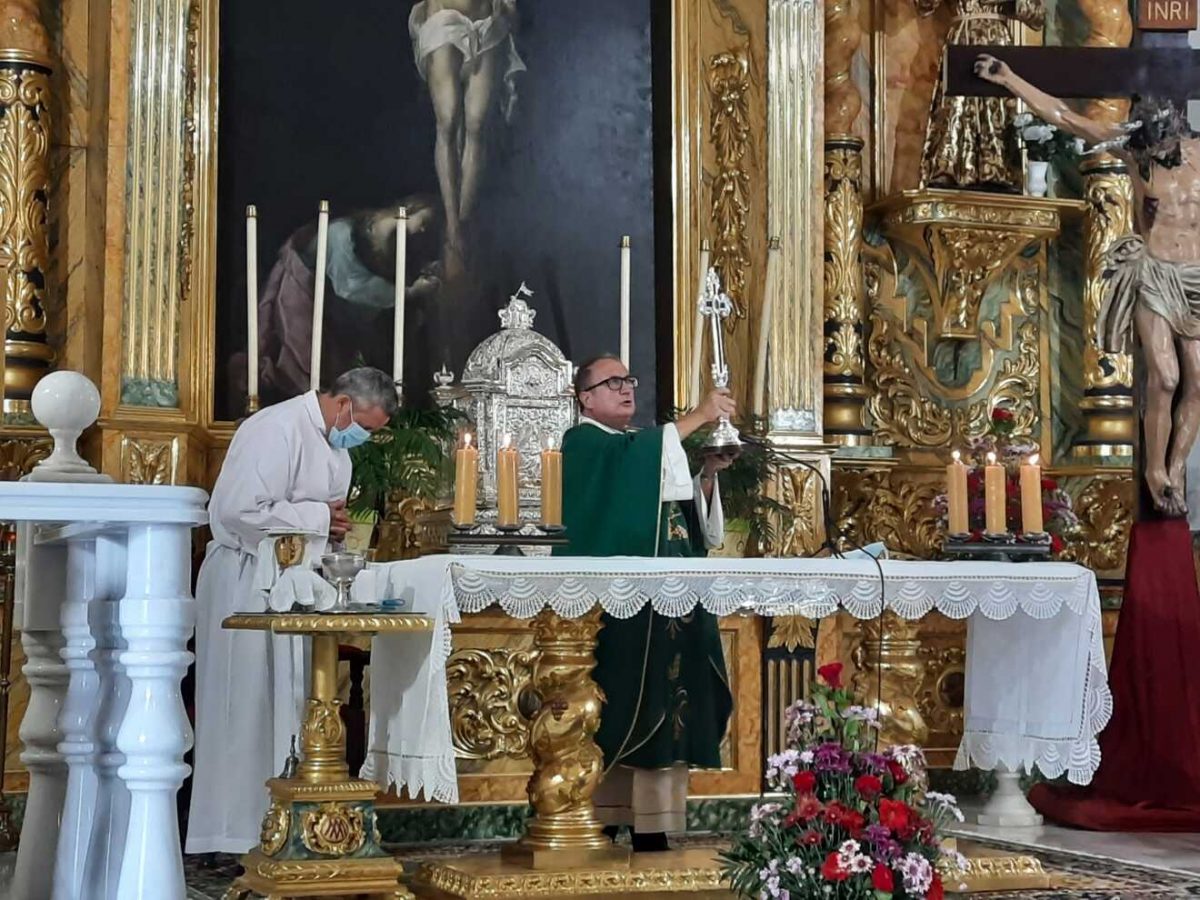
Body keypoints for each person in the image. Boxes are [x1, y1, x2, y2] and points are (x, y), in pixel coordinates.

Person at [976, 54, 1200, 520]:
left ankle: (1176, 466)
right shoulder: (1135, 152)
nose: (1156, 129)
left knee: (1198, 380)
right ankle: (1155, 472)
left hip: (1195, 276)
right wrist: (1010, 78)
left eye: (1162, 120)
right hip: (1154, 271)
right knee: (1165, 377)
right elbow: (1065, 116)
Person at [185, 367, 398, 855]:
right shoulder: (274, 428)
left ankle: (279, 826)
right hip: (246, 578)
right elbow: (239, 510)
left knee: (287, 704)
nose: (363, 436)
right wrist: (320, 517)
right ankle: (231, 832)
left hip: (296, 582)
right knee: (244, 704)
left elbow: (323, 515)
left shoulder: (335, 446)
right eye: (364, 425)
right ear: (342, 403)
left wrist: (331, 529)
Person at [556, 354, 737, 852]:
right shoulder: (585, 442)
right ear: (584, 397)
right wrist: (701, 416)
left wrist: (703, 475)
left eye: (629, 380)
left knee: (670, 703)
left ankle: (654, 818)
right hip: (622, 604)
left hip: (672, 600)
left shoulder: (643, 449)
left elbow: (675, 520)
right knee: (624, 706)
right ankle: (608, 812)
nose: (625, 388)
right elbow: (631, 471)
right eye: (611, 382)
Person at [237, 196, 442, 409]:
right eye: (423, 222)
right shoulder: (340, 233)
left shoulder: (388, 243)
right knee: (300, 366)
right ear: (408, 209)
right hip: (299, 299)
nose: (423, 231)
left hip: (331, 316)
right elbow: (350, 285)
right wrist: (408, 292)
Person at [409, 0, 525, 277]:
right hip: (443, 21)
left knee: (476, 125)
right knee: (448, 121)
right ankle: (452, 229)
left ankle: (462, 224)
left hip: (486, 25)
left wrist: (509, 12)